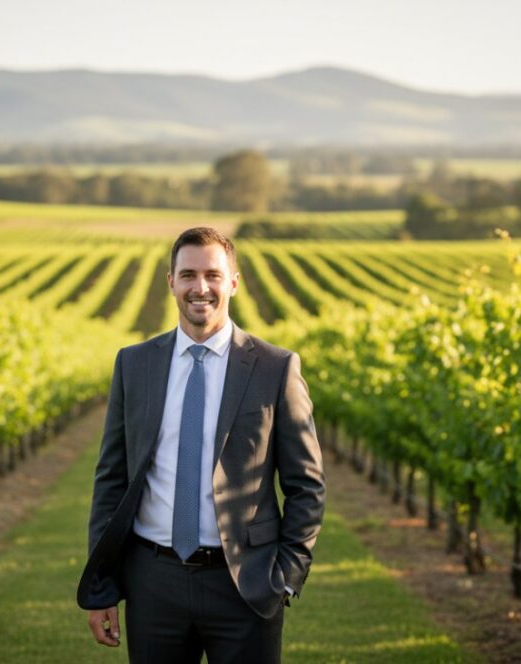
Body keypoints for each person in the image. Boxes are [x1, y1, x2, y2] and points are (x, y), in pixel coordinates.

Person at [77, 227, 325, 663]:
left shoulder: (276, 368)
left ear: (233, 281)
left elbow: (307, 485)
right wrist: (101, 587)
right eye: (188, 274)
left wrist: (285, 576)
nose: (201, 287)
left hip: (245, 584)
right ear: (170, 281)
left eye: (213, 274)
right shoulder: (134, 364)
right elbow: (112, 481)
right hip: (153, 583)